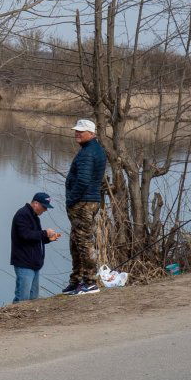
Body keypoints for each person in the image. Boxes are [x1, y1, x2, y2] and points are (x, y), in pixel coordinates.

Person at [63, 119, 107, 295]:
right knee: (75, 241)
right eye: (76, 130)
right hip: (87, 201)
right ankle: (76, 281)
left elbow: (83, 180)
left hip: (83, 203)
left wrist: (71, 199)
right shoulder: (92, 150)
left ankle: (90, 282)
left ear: (91, 133)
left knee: (83, 242)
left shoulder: (88, 153)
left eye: (81, 131)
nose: (77, 133)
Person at [11, 192, 61, 302]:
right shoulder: (22, 214)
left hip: (34, 264)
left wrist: (48, 239)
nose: (45, 210)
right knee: (22, 298)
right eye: (44, 207)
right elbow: (25, 235)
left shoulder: (34, 217)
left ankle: (28, 319)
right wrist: (45, 233)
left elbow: (34, 237)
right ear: (36, 203)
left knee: (33, 299)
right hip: (24, 264)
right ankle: (16, 319)